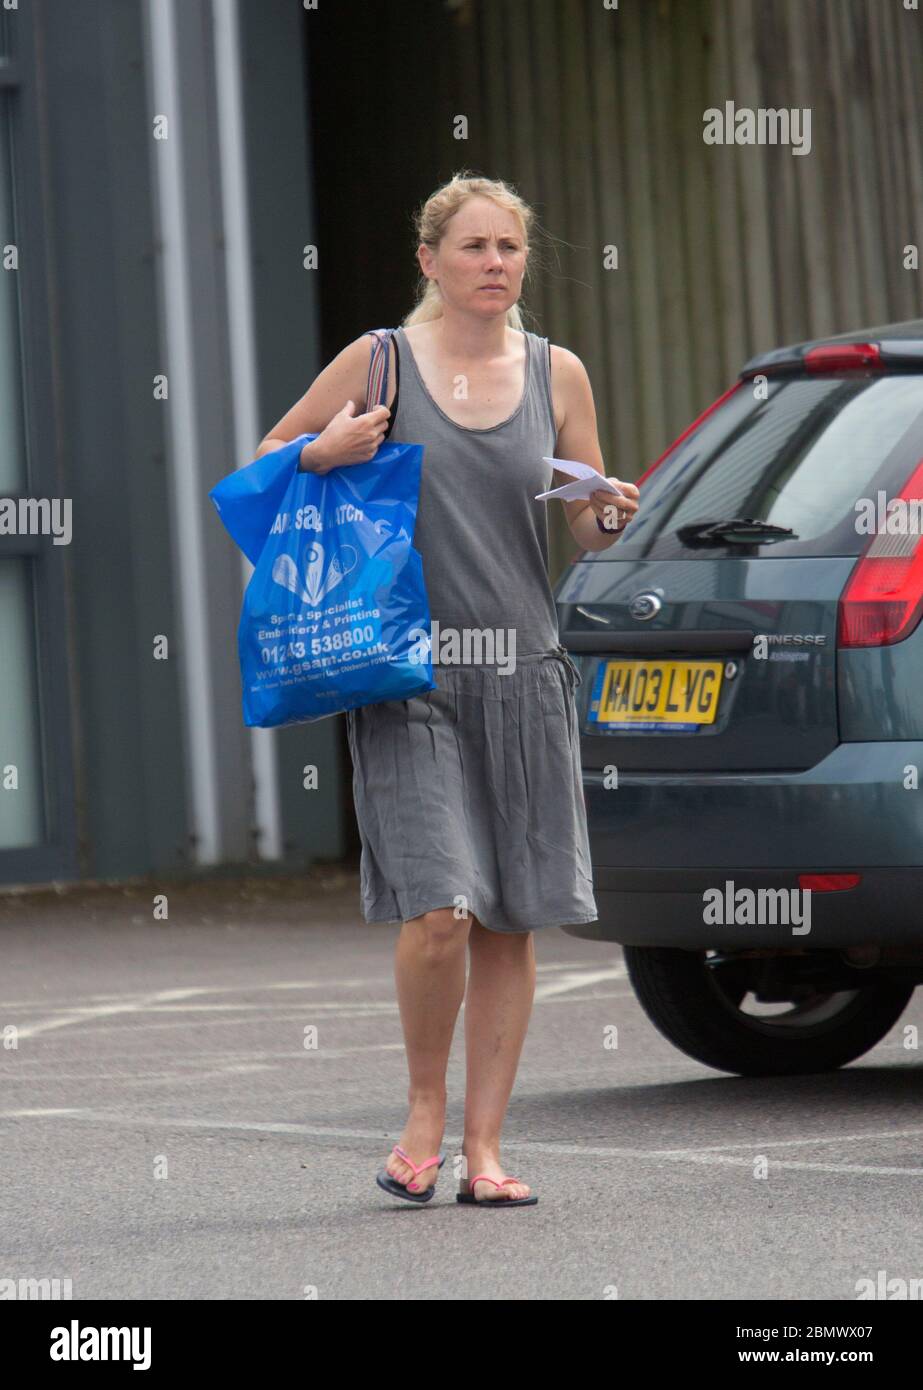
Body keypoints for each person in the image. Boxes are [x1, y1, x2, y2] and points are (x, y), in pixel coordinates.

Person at [256, 172, 640, 1207]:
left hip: (523, 675)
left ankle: (483, 1150)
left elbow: (583, 517)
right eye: (472, 247)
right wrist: (322, 448)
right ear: (429, 260)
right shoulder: (379, 361)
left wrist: (608, 513)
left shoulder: (557, 373)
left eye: (509, 247)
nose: (494, 265)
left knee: (511, 917)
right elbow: (266, 460)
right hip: (406, 675)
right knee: (440, 909)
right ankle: (421, 1114)